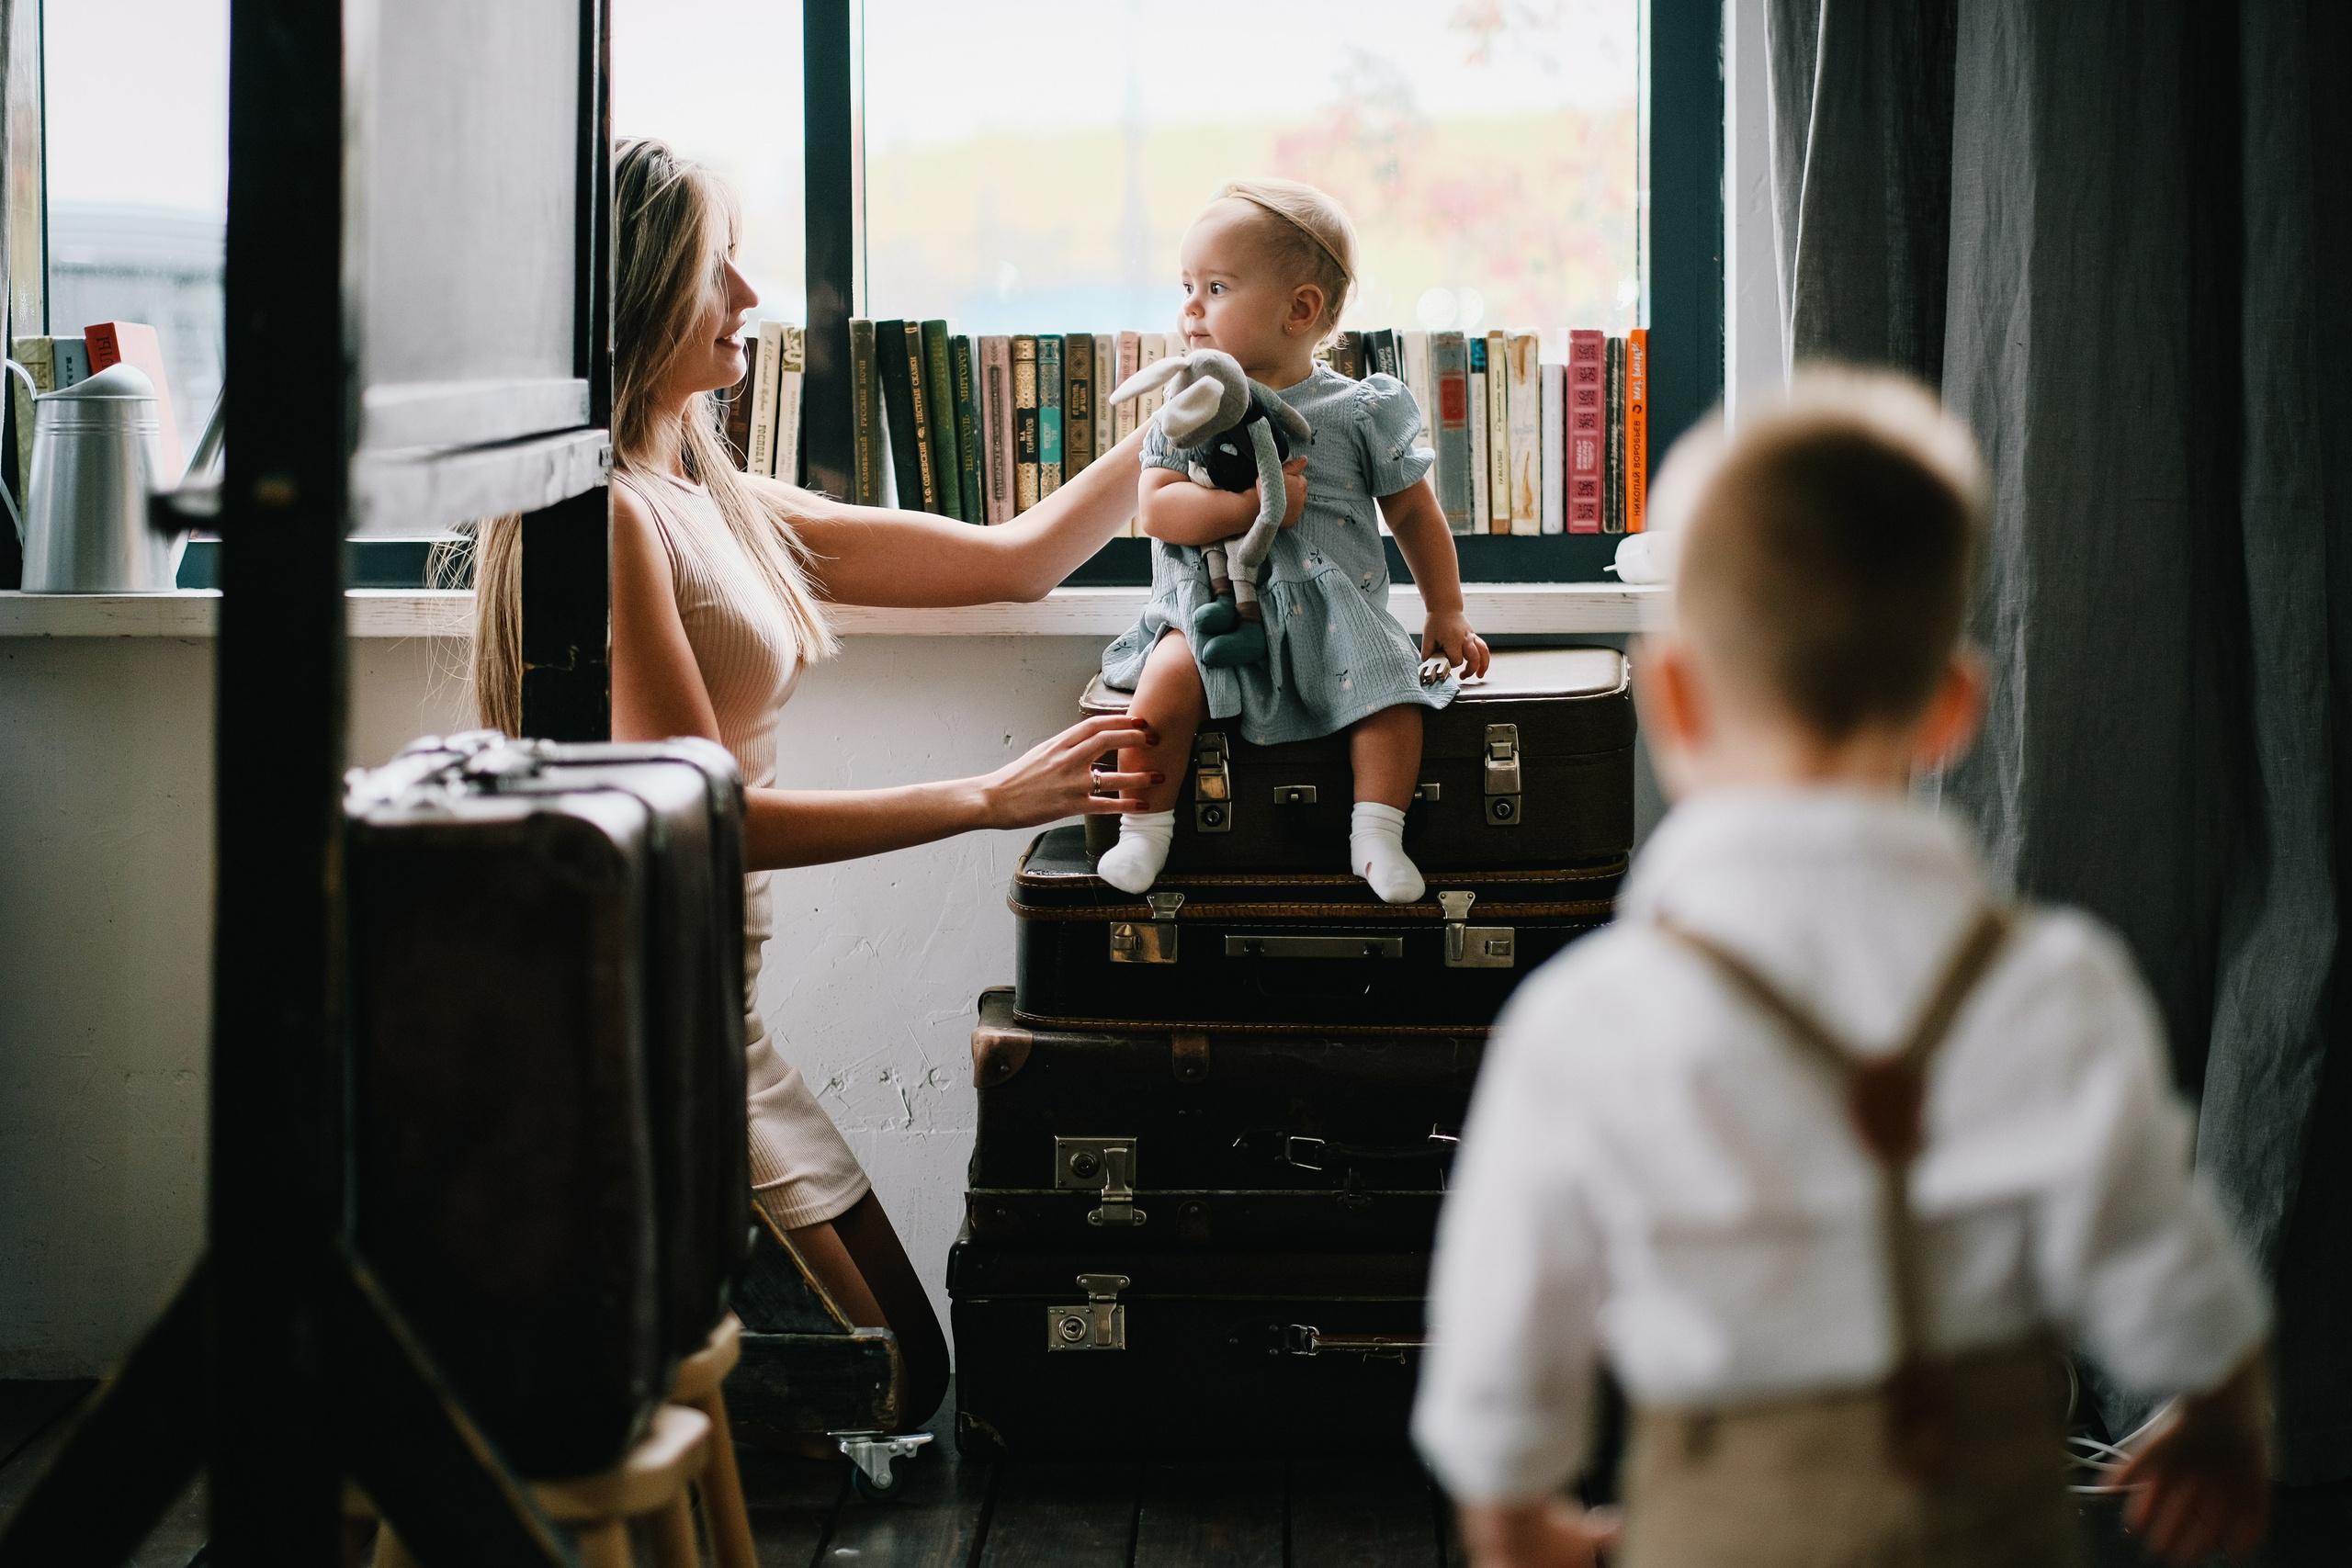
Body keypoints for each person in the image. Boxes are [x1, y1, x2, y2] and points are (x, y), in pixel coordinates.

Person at [1412, 369, 2273, 1567]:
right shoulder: (2052, 981)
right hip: (1992, 1515)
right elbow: (2155, 1244)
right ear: (1955, 705)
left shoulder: (1591, 1014)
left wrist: (1510, 1505)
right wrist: (2223, 1414)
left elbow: (1511, 1301)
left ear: (1671, 696)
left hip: (1729, 1513)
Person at [460, 139, 1156, 1432]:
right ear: (635, 295)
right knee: (880, 1388)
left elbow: (1015, 561)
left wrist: (1176, 419)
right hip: (642, 1028)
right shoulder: (596, 514)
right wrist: (988, 797)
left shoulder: (712, 492)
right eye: (713, 267)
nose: (749, 293)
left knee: (910, 1376)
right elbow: (699, 820)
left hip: (722, 1013)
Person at [1091, 177, 1490, 902]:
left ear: (1300, 308)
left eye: (1214, 286)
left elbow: (1414, 515)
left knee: (1394, 699)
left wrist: (1447, 610)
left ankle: (1376, 834)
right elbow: (1160, 510)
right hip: (1215, 612)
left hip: (1337, 619)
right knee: (1163, 689)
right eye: (1186, 284)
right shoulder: (1187, 413)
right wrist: (1247, 504)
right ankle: (1141, 832)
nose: (1189, 307)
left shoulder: (1360, 409)